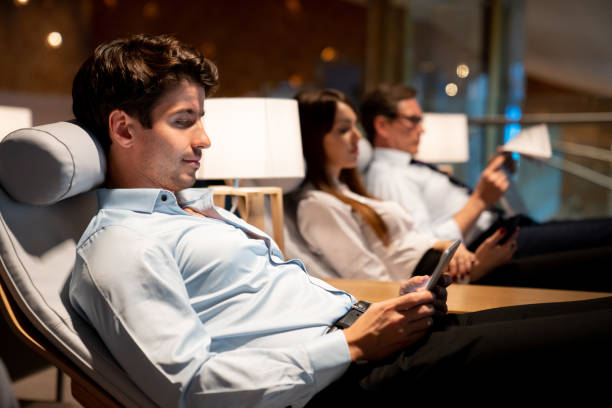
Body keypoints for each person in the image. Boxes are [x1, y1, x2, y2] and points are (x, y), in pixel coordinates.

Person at [68, 34, 612, 407]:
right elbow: (186, 387)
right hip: (352, 376)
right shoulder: (122, 248)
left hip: (369, 337)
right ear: (122, 129)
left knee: (582, 315)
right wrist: (353, 344)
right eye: (184, 122)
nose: (204, 140)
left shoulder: (191, 211)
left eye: (200, 120)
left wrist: (383, 310)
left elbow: (276, 304)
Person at [362, 83, 612, 289]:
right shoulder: (388, 176)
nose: (422, 129)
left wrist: (494, 179)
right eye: (412, 120)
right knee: (601, 235)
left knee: (598, 233)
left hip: (502, 230)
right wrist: (480, 200)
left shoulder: (411, 166)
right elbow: (425, 248)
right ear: (382, 126)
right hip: (487, 245)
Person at [294, 88, 515, 283]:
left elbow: (406, 241)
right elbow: (372, 282)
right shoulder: (317, 205)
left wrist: (441, 245)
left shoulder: (347, 192)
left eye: (355, 126)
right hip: (443, 282)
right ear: (314, 137)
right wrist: (474, 272)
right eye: (343, 129)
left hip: (448, 266)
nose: (358, 137)